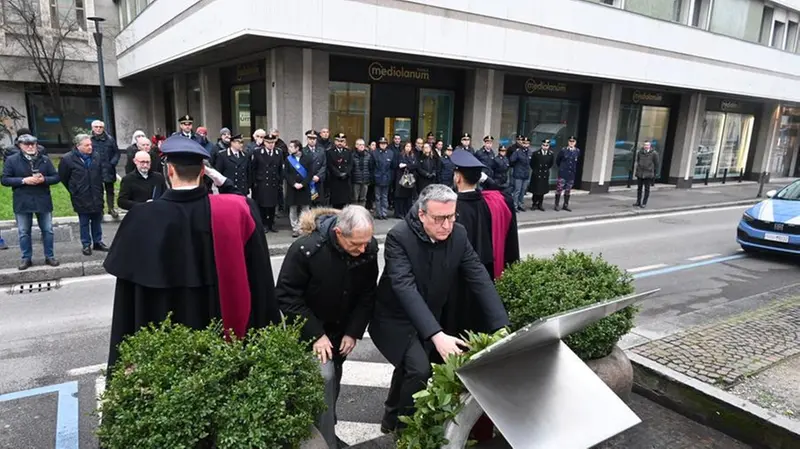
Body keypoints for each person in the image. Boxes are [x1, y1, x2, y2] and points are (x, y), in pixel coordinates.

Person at [104, 135, 282, 378]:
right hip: (220, 333)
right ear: (202, 172)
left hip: (162, 338)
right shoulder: (233, 211)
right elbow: (259, 278)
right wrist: (223, 180)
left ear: (169, 172)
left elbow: (128, 302)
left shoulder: (141, 218)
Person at [369, 184, 510, 434]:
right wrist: (436, 335)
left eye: (451, 217)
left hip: (429, 315)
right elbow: (404, 288)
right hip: (395, 318)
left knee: (409, 368)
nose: (446, 225)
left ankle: (391, 419)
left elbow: (478, 277)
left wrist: (502, 325)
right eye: (439, 219)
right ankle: (404, 430)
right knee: (418, 368)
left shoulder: (459, 234)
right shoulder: (399, 236)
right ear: (421, 214)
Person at [276, 205, 379, 449]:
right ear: (339, 234)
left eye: (367, 243)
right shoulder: (306, 249)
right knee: (323, 378)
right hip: (309, 329)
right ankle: (322, 442)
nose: (363, 249)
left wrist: (354, 331)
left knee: (332, 383)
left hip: (340, 329)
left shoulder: (366, 247)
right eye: (357, 244)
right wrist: (316, 334)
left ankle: (325, 431)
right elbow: (287, 296)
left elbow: (367, 294)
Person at [450, 148, 520, 443]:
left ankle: (454, 423)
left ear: (456, 177)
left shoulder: (449, 209)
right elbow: (512, 248)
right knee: (485, 360)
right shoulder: (498, 203)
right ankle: (484, 426)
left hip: (456, 296)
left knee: (456, 359)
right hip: (489, 291)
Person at [1, 134, 60, 269]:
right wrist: (23, 180)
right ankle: (26, 258)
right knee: (23, 232)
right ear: (20, 146)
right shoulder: (12, 160)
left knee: (48, 230)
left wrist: (44, 179)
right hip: (23, 201)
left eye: (33, 144)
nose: (30, 146)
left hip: (42, 199)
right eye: (27, 144)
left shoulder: (44, 159)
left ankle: (49, 256)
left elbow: (56, 177)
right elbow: (4, 180)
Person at [59, 134, 108, 256]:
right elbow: (64, 177)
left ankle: (98, 241)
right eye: (87, 145)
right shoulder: (67, 159)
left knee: (97, 219)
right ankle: (86, 244)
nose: (90, 147)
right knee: (84, 221)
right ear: (78, 146)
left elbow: (100, 173)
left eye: (91, 144)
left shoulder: (96, 156)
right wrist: (74, 190)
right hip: (81, 195)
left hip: (96, 193)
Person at [283, 139, 314, 237]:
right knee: (293, 209)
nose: (289, 148)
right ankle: (295, 228)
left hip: (304, 187)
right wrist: (294, 184)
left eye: (292, 147)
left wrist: (303, 184)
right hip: (293, 188)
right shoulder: (288, 159)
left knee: (305, 208)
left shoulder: (308, 158)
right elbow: (286, 173)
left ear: (297, 148)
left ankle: (304, 227)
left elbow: (310, 173)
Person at [555, 136, 581, 212]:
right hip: (563, 173)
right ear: (568, 142)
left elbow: (577, 162)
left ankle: (565, 205)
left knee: (568, 190)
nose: (571, 143)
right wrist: (562, 168)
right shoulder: (563, 150)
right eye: (570, 141)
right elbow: (558, 161)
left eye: (573, 141)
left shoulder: (577, 151)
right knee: (559, 189)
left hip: (571, 174)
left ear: (575, 142)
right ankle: (556, 205)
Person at [529, 139, 555, 211]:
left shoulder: (550, 154)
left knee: (542, 191)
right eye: (544, 145)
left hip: (544, 174)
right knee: (535, 190)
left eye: (547, 145)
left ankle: (540, 204)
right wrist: (536, 171)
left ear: (549, 146)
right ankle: (534, 204)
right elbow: (532, 164)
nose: (545, 147)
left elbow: (550, 164)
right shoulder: (536, 153)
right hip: (537, 174)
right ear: (541, 145)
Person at [633, 140, 659, 209]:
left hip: (648, 174)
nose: (646, 146)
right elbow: (638, 161)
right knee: (639, 188)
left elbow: (656, 164)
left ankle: (644, 203)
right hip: (640, 173)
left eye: (647, 145)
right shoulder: (640, 152)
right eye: (645, 145)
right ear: (643, 146)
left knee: (647, 189)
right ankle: (638, 202)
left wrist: (653, 173)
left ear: (650, 146)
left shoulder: (654, 153)